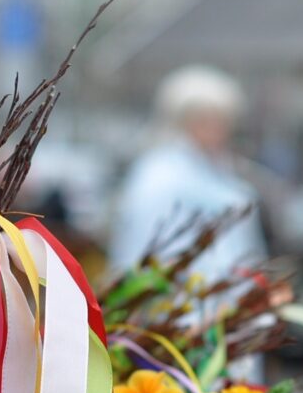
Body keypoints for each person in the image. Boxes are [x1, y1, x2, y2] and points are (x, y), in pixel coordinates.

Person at [107, 64, 267, 280]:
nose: (220, 129)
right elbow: (141, 244)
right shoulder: (159, 174)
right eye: (208, 119)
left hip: (227, 302)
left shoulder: (220, 170)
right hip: (178, 303)